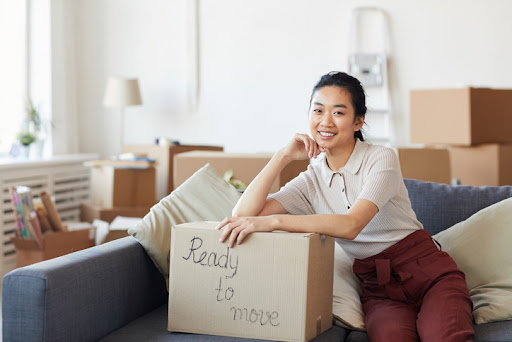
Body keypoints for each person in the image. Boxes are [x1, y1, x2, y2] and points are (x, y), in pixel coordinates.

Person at [216, 71, 475, 342]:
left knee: (445, 337)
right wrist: (282, 156)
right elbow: (243, 214)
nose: (325, 121)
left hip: (429, 274)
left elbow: (351, 225)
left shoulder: (380, 159)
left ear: (358, 121)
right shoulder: (311, 179)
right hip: (379, 288)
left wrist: (274, 222)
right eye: (318, 111)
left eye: (338, 113)